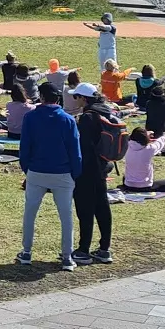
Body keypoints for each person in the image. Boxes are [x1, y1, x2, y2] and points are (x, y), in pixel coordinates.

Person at [17, 83, 81, 272]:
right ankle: (67, 257)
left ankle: (27, 251)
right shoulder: (68, 120)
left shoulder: (31, 117)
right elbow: (75, 152)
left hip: (37, 171)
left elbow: (24, 147)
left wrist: (27, 170)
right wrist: (74, 174)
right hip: (62, 173)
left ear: (42, 98)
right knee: (66, 215)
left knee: (30, 212)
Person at [71, 84, 116, 265]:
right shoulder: (106, 112)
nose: (76, 100)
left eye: (77, 97)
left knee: (85, 210)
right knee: (102, 208)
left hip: (87, 170)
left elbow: (83, 147)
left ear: (84, 98)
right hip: (103, 167)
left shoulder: (88, 118)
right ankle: (104, 248)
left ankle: (83, 250)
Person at [122, 128, 165, 193]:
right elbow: (159, 143)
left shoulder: (126, 146)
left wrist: (147, 133)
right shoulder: (150, 149)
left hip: (128, 185)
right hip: (145, 186)